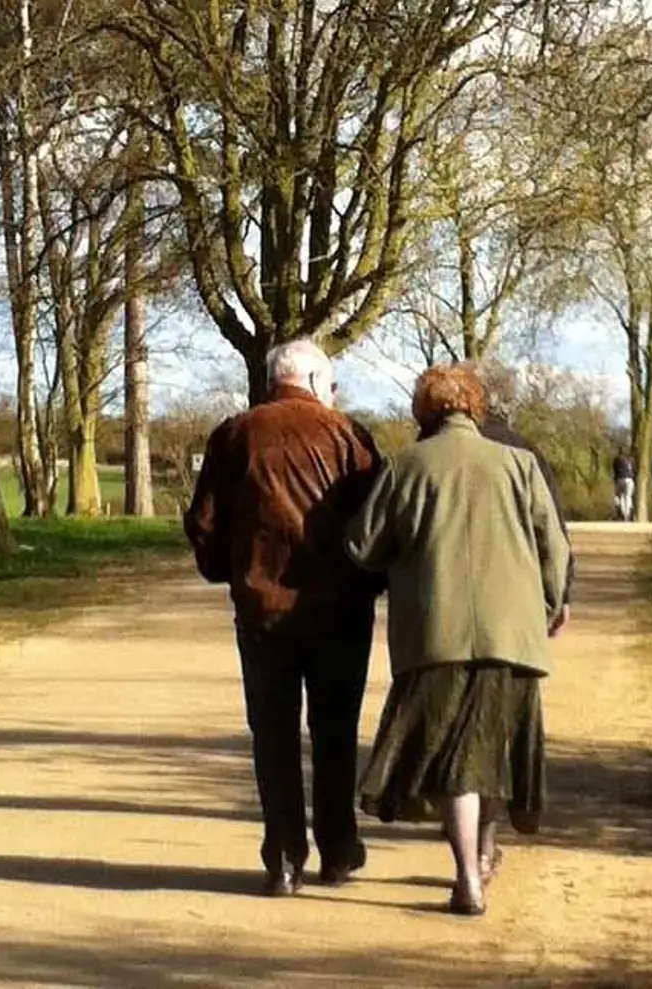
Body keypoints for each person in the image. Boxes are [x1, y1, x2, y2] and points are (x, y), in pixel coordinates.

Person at [346, 364, 571, 917]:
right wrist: (552, 600)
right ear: (476, 407)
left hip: (434, 635)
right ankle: (489, 850)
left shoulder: (405, 466)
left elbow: (361, 545)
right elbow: (554, 546)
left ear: (424, 412)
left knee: (452, 762)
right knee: (492, 749)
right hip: (511, 633)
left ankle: (467, 873)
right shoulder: (518, 464)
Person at [184, 340, 384, 898]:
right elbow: (378, 520)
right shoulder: (349, 436)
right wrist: (370, 580)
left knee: (272, 736)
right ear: (318, 382)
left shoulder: (235, 434)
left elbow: (204, 523)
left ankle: (284, 858)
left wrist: (236, 573)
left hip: (262, 610)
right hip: (340, 611)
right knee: (335, 732)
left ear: (273, 379)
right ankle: (339, 850)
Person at [468, 359, 576, 607]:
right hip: (515, 598)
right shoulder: (526, 453)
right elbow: (551, 533)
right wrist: (560, 597)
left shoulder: (429, 452)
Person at [612, 450, 637, 521]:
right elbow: (634, 470)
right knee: (628, 497)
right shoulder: (632, 459)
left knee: (618, 496)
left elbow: (615, 470)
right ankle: (629, 514)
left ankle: (620, 512)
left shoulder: (617, 459)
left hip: (620, 479)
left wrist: (615, 479)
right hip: (630, 480)